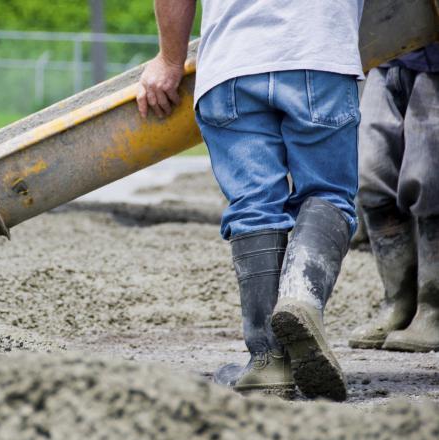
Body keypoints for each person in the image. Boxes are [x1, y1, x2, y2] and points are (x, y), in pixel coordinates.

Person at [137, 0, 364, 401]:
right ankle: (300, 298)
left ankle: (268, 361)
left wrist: (169, 61)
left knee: (254, 206)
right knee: (327, 193)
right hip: (318, 53)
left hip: (232, 64)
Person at [348, 44, 439, 352]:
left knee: (429, 178)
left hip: (435, 61)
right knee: (371, 174)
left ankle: (433, 307)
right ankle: (398, 302)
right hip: (386, 55)